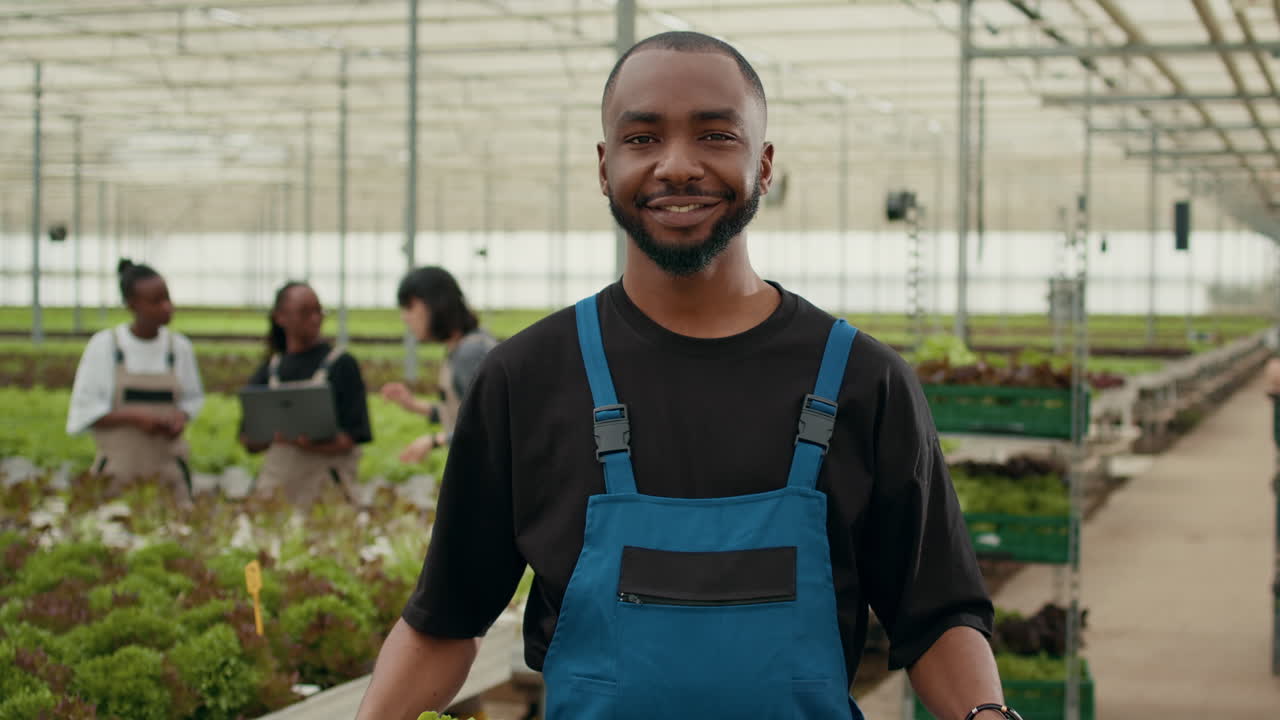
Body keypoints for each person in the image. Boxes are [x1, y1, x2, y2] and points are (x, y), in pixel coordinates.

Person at [359, 32, 1013, 720]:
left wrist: (987, 713)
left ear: (762, 163)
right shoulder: (525, 380)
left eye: (715, 136)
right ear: (604, 165)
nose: (676, 166)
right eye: (642, 139)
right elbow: (446, 622)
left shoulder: (865, 381)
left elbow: (937, 618)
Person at [66, 259, 204, 503]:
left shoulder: (179, 348)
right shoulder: (106, 346)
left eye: (167, 298)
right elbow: (85, 409)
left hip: (168, 469)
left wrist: (180, 417)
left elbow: (192, 399)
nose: (167, 307)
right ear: (132, 305)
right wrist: (136, 418)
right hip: (119, 471)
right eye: (156, 301)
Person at [239, 281, 372, 506]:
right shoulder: (270, 370)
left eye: (318, 311)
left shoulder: (341, 365)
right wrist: (275, 435)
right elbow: (248, 440)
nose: (315, 318)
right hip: (278, 490)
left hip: (327, 488)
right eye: (305, 312)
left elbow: (354, 435)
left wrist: (311, 443)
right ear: (280, 318)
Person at [380, 266, 499, 464]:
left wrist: (435, 440)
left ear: (435, 305)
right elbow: (465, 414)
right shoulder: (460, 348)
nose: (405, 317)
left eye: (409, 307)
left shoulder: (470, 354)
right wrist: (413, 405)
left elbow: (491, 427)